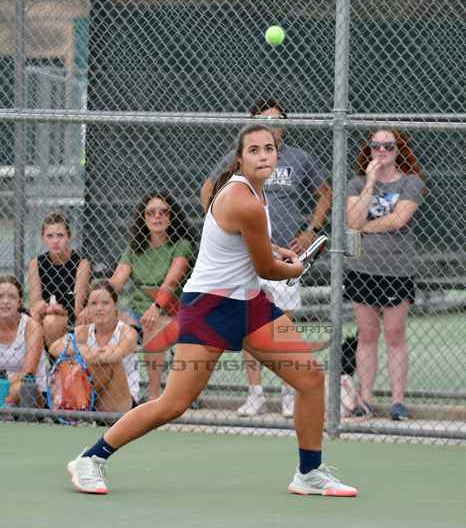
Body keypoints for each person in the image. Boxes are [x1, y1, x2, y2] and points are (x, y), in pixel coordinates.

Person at [66, 124, 357, 498]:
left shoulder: (256, 193)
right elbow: (268, 269)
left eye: (269, 149)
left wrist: (277, 251)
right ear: (240, 158)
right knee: (173, 404)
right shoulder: (242, 199)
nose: (264, 156)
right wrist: (295, 268)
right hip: (209, 307)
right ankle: (91, 458)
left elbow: (248, 246)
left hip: (250, 304)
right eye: (254, 150)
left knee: (311, 379)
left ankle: (310, 473)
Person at [201, 98, 332, 418]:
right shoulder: (242, 158)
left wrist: (311, 230)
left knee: (282, 325)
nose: (273, 124)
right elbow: (208, 188)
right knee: (249, 325)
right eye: (265, 119)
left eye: (277, 119)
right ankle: (255, 393)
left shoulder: (299, 158)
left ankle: (288, 393)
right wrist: (220, 227)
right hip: (247, 256)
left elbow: (325, 193)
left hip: (285, 255)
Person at [345, 129, 426, 421]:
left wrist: (364, 227)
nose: (381, 151)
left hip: (397, 270)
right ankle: (365, 398)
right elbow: (352, 219)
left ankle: (397, 402)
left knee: (395, 335)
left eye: (388, 146)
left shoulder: (411, 182)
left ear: (398, 149)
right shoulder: (356, 183)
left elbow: (399, 219)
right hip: (362, 269)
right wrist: (370, 181)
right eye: (376, 146)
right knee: (367, 336)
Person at [109, 191, 193, 400]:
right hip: (137, 312)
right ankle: (114, 394)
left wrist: (155, 308)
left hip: (172, 313)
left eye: (164, 212)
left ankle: (154, 396)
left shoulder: (181, 245)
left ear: (171, 217)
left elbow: (171, 282)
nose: (157, 216)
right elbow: (116, 282)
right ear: (143, 218)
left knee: (151, 325)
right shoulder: (134, 248)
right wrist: (98, 305)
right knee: (106, 319)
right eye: (151, 212)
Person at [50, 280, 138, 413]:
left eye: (105, 303)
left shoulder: (127, 332)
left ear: (115, 306)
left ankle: (75, 406)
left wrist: (85, 356)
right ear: (88, 308)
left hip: (122, 403)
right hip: (93, 397)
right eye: (94, 304)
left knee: (108, 363)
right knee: (77, 362)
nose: (99, 308)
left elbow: (113, 355)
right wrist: (82, 349)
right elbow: (54, 347)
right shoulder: (84, 330)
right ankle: (76, 406)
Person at [27, 213, 91, 348]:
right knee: (36, 316)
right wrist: (46, 308)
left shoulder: (81, 264)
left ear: (68, 237)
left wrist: (59, 310)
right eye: (50, 236)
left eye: (60, 235)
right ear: (43, 238)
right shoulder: (36, 264)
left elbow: (77, 308)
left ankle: (56, 359)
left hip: (71, 317)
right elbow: (35, 304)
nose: (55, 241)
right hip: (46, 313)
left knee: (52, 322)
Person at [0, 275, 47, 406]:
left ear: (19, 302)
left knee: (20, 388)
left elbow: (29, 372)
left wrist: (3, 384)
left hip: (30, 389)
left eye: (11, 297)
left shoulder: (31, 326)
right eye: (0, 296)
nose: (5, 301)